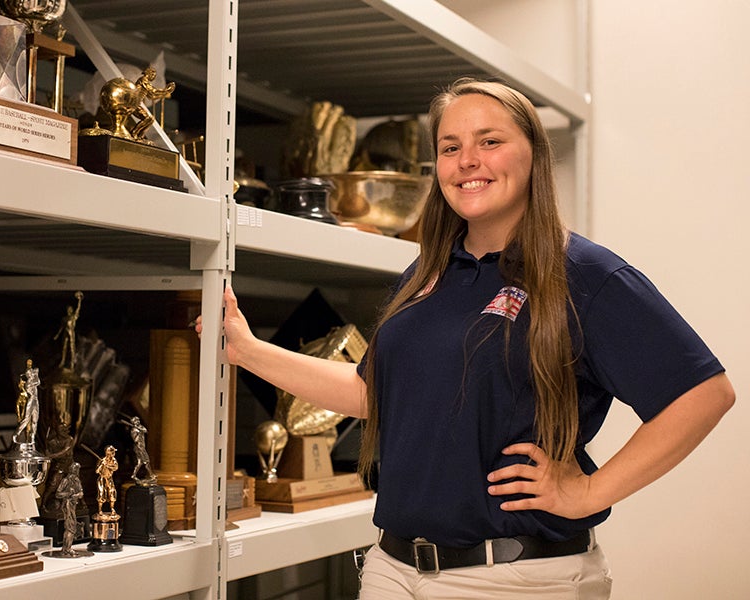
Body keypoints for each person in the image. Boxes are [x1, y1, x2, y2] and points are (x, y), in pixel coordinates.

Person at [197, 78, 734, 599]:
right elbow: (371, 392)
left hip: (514, 576)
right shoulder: (428, 272)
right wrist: (245, 350)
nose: (467, 160)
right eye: (450, 147)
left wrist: (591, 490)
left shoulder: (586, 275)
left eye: (490, 142)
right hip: (393, 567)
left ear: (533, 156)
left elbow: (703, 393)